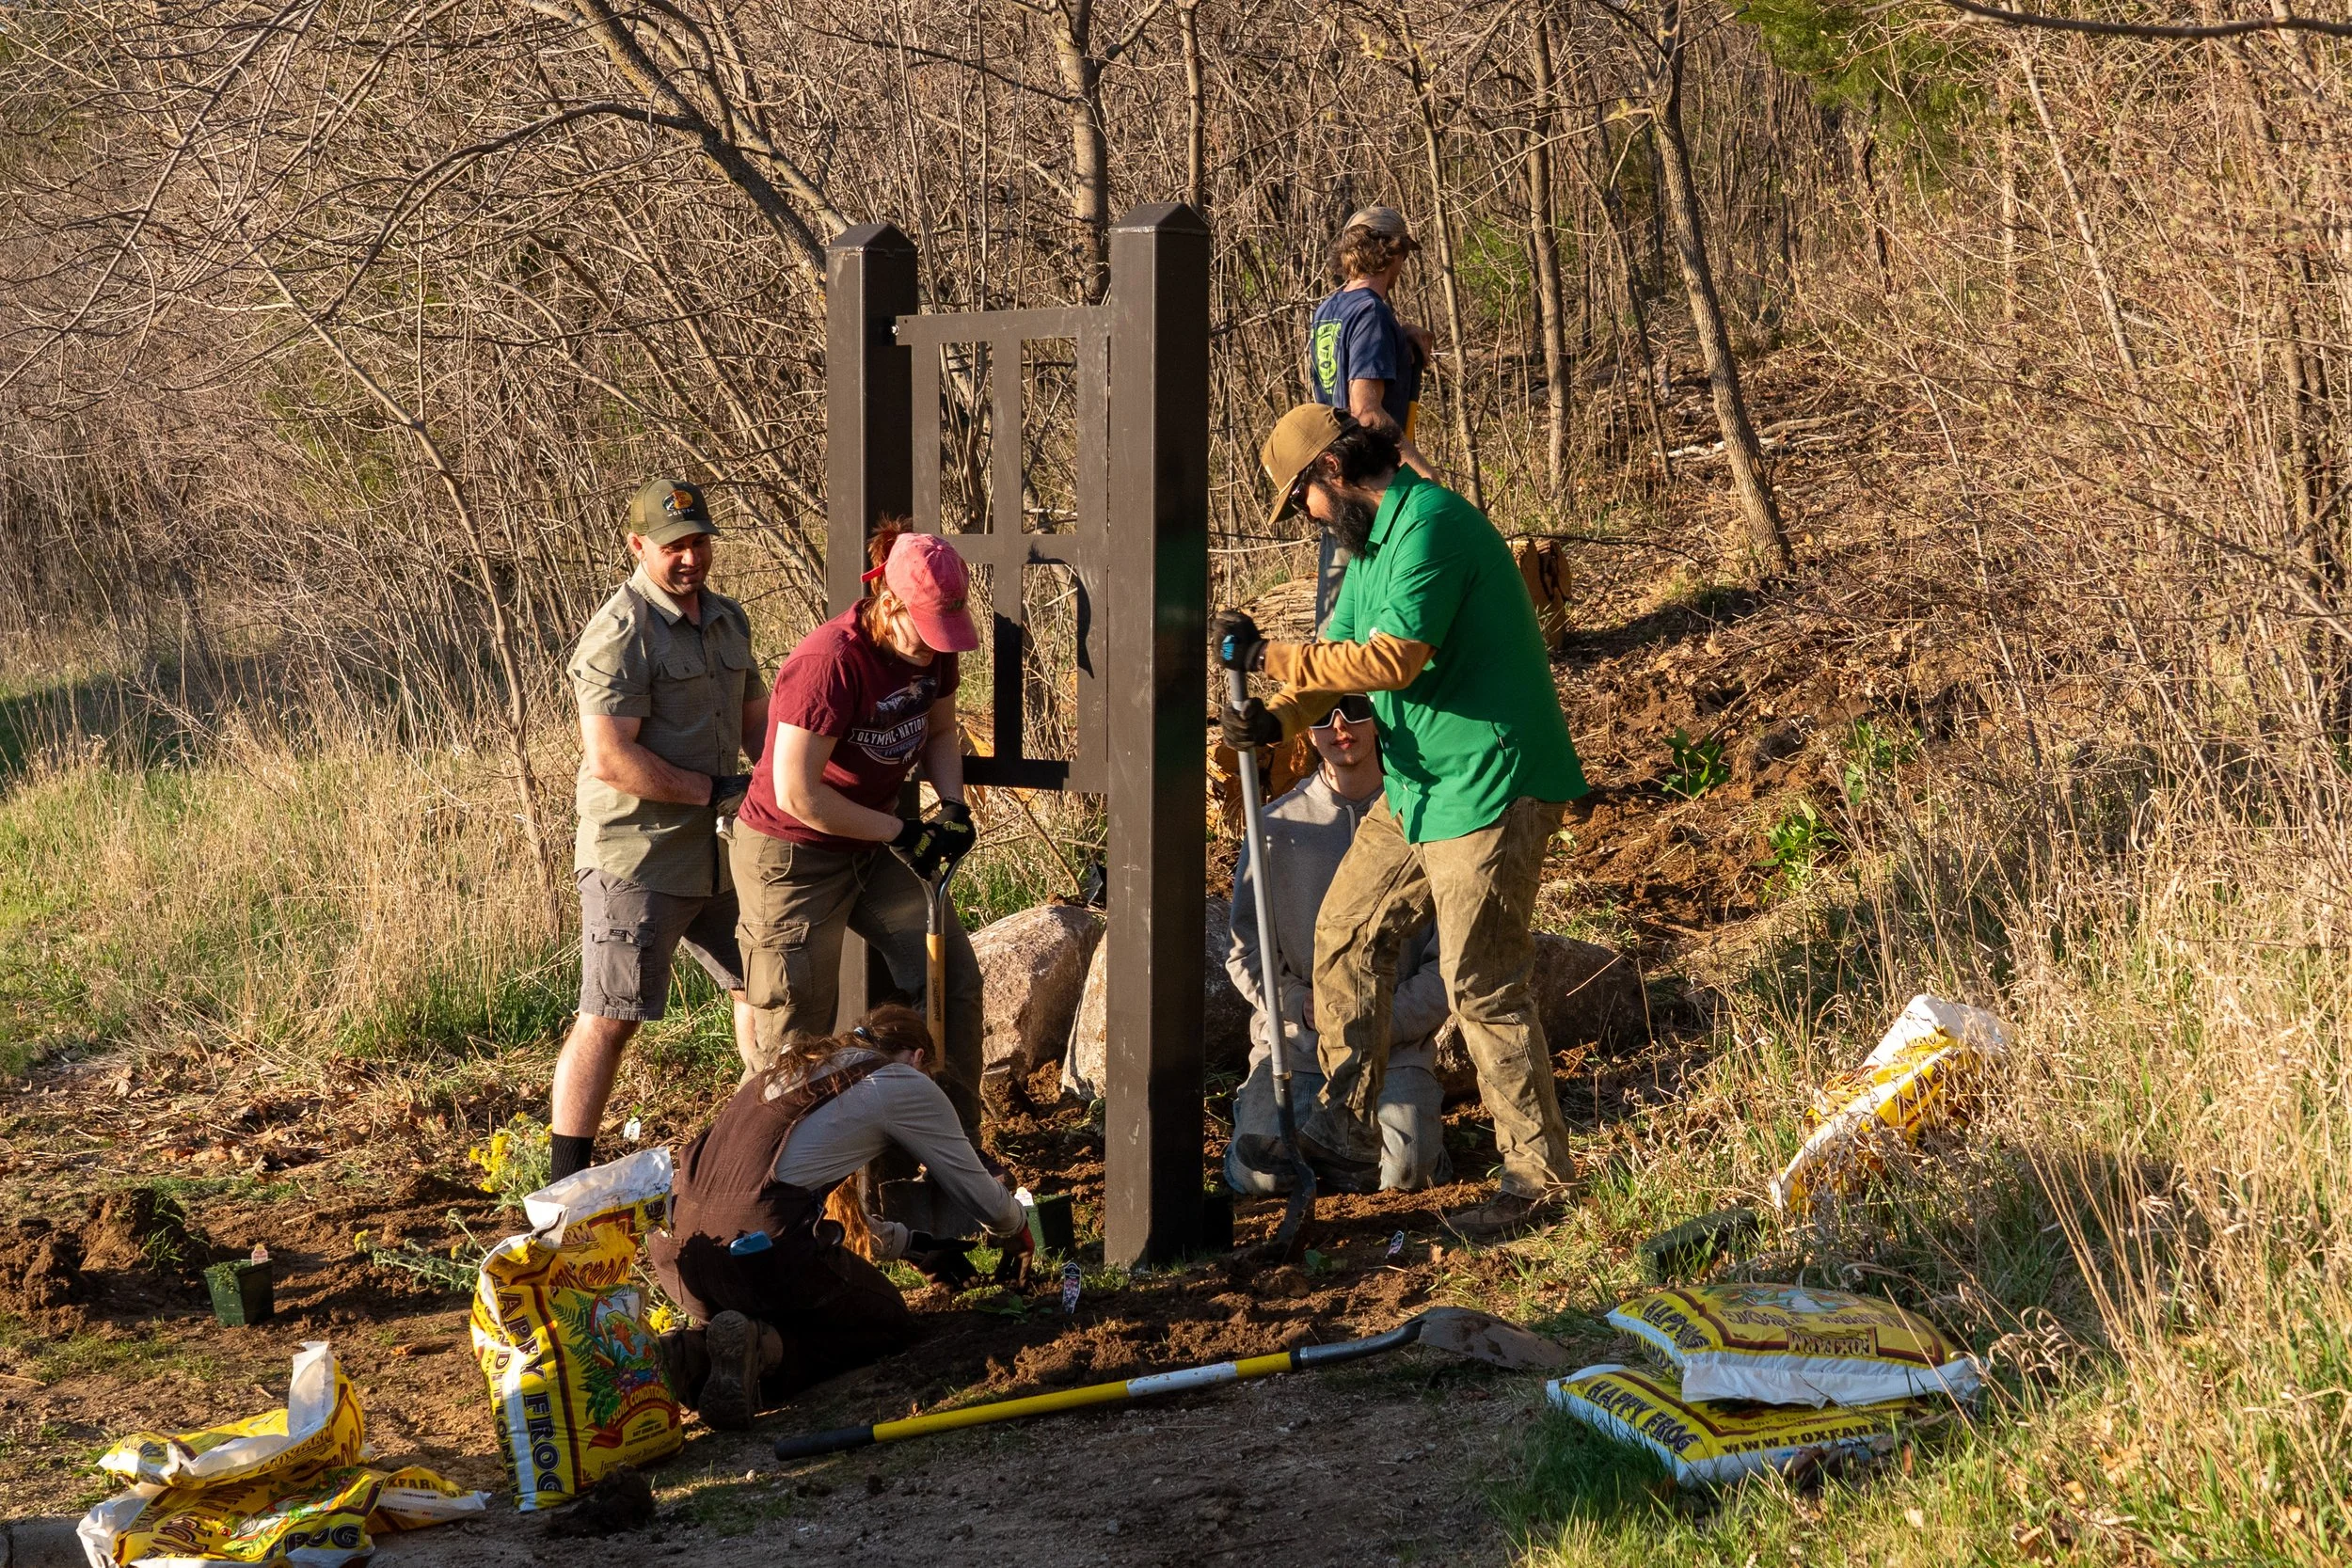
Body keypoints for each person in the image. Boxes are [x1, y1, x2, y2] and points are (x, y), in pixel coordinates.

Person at [1216, 404, 1586, 1241]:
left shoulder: (1433, 525)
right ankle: (1345, 1122)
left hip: (1491, 782)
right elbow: (1332, 662)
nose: (1306, 515)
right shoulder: (1365, 550)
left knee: (1481, 980)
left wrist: (1273, 656)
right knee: (1345, 934)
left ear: (1332, 472)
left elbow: (1393, 660)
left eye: (1301, 497)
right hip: (1420, 785)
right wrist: (1273, 719)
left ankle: (1539, 1179)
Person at [648, 1004, 1033, 1429]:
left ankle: (690, 1351)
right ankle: (765, 1347)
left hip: (681, 1256)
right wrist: (1016, 1228)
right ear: (918, 1057)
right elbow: (981, 1195)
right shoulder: (899, 1080)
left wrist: (912, 1244)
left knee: (783, 1302)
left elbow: (794, 1199)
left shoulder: (791, 1069)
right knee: (887, 1322)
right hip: (759, 1257)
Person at [731, 523, 985, 1134]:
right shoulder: (830, 662)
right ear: (889, 602)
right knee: (795, 1036)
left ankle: (948, 1156)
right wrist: (901, 831)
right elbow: (798, 793)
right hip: (791, 855)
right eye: (925, 630)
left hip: (871, 844)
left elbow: (943, 731)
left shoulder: (936, 650)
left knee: (949, 978)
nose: (934, 647)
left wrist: (950, 806)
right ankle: (752, 1191)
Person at [551, 478, 767, 1183]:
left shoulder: (729, 620)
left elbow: (759, 723)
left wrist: (785, 786)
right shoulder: (619, 632)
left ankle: (756, 1156)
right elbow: (611, 756)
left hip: (723, 851)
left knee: (762, 990)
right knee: (612, 1016)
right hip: (636, 857)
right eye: (673, 546)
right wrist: (712, 790)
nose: (689, 558)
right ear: (638, 545)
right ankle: (562, 1182)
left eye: (699, 542)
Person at [1225, 693, 1453, 1196]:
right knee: (1260, 1177)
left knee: (1404, 1176)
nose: (1339, 725)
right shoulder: (1273, 826)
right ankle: (1276, 1126)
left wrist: (1374, 1019)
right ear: (1306, 729)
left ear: (1381, 720)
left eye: (1354, 709)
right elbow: (1245, 952)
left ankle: (1416, 1138)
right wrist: (1298, 1006)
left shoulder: (1426, 824)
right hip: (1297, 1049)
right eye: (1322, 715)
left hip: (1394, 1051)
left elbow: (1449, 965)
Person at [1306, 206, 1438, 481]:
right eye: (1404, 255)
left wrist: (1400, 336)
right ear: (1393, 252)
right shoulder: (1371, 313)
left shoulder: (1328, 310)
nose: (1402, 265)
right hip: (1373, 476)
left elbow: (1346, 365)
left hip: (1336, 471)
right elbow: (1365, 411)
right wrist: (1424, 473)